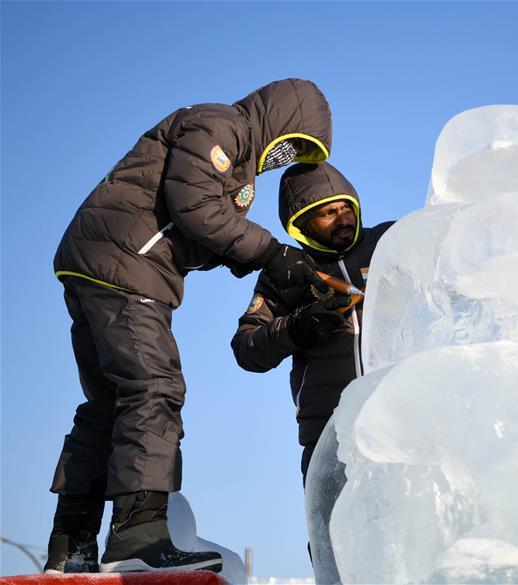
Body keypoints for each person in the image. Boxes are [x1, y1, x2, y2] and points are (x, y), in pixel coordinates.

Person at [47, 78, 331, 574]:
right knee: (154, 388)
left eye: (300, 154)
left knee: (110, 402)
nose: (286, 155)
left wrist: (264, 262)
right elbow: (195, 206)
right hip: (126, 264)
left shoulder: (236, 157)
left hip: (102, 261)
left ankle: (72, 542)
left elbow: (198, 229)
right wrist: (271, 251)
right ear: (281, 119)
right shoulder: (223, 124)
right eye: (293, 142)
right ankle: (138, 533)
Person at [231, 162, 392, 483]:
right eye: (328, 213)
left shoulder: (389, 242)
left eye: (347, 207)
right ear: (302, 223)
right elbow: (247, 349)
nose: (343, 218)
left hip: (400, 416)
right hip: (330, 430)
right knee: (334, 529)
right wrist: (302, 325)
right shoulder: (287, 272)